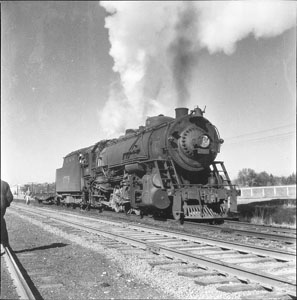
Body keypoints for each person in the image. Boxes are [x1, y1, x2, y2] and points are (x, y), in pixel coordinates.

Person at [1, 180, 14, 246]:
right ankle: (5, 245)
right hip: (1, 207)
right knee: (2, 224)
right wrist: (5, 205)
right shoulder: (4, 184)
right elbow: (10, 197)